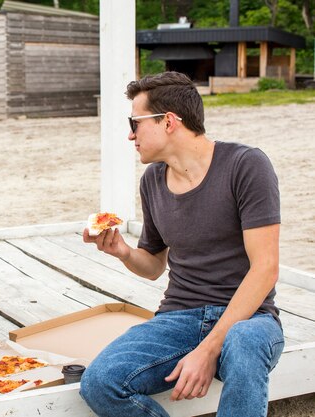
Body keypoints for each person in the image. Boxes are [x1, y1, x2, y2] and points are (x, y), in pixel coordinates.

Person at [80, 72, 283, 417]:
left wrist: (207, 350)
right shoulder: (152, 181)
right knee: (100, 382)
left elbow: (265, 269)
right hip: (180, 317)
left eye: (136, 122)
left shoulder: (246, 165)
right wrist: (124, 252)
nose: (131, 135)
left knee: (245, 342)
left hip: (249, 318)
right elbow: (154, 265)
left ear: (169, 122)